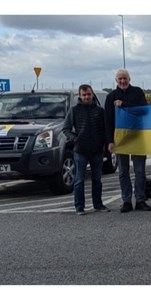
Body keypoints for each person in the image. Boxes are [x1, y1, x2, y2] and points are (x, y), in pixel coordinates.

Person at [105, 68, 150, 213]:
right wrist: (110, 141)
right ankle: (126, 201)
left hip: (138, 137)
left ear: (129, 79)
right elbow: (108, 121)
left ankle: (140, 199)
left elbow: (144, 110)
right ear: (116, 80)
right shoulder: (111, 96)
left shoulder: (138, 92)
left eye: (125, 78)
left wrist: (124, 104)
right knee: (123, 172)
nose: (123, 81)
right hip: (120, 139)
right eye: (120, 79)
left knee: (140, 171)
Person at [62, 84, 109, 215]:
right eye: (84, 95)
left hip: (97, 150)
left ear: (92, 94)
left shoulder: (100, 111)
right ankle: (79, 207)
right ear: (80, 96)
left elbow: (105, 129)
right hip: (80, 150)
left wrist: (104, 143)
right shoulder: (74, 110)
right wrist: (75, 139)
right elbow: (66, 129)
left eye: (88, 94)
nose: (87, 97)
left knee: (97, 180)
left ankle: (98, 204)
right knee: (79, 180)